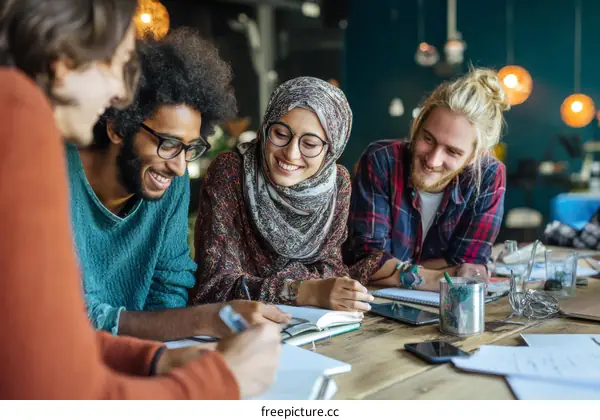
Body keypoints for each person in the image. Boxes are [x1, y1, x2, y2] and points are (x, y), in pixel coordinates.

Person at [0, 0, 280, 399]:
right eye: (114, 64)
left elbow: (63, 340)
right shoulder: (21, 125)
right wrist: (217, 381)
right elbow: (60, 387)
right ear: (64, 60)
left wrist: (155, 360)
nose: (120, 89)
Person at [70, 27, 289, 341]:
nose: (179, 165)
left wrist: (165, 354)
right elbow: (63, 313)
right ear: (119, 126)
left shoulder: (171, 180)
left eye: (190, 148)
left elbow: (168, 286)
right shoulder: (53, 172)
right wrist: (196, 321)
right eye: (168, 143)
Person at [191, 76, 377, 312]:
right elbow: (214, 288)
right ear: (265, 127)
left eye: (309, 144)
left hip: (311, 326)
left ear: (331, 151)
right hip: (237, 330)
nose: (291, 154)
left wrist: (271, 284)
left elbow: (333, 270)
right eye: (280, 134)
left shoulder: (337, 183)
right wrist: (304, 289)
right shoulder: (230, 172)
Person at [345, 68, 508, 291]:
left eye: (452, 151)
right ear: (417, 125)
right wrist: (437, 276)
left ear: (475, 156)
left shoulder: (489, 176)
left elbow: (469, 267)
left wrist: (393, 269)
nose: (433, 160)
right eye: (428, 139)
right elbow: (367, 262)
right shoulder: (382, 159)